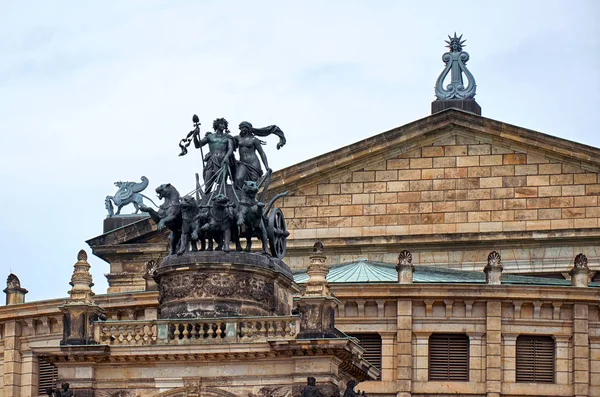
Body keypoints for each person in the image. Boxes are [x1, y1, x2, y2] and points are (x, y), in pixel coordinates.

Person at [233, 121, 286, 189]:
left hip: (253, 163)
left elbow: (262, 153)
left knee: (253, 184)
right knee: (238, 178)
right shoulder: (238, 138)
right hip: (242, 163)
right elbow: (228, 142)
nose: (241, 130)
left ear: (248, 128)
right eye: (240, 128)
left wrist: (266, 166)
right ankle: (239, 196)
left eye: (243, 127)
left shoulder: (254, 140)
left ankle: (249, 198)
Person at [194, 118, 235, 193]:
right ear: (216, 125)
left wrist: (226, 157)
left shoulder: (228, 137)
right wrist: (195, 136)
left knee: (223, 183)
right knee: (208, 184)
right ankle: (205, 199)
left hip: (223, 161)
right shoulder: (210, 137)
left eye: (224, 124)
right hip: (212, 162)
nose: (223, 125)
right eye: (221, 124)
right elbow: (198, 145)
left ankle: (223, 200)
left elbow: (230, 149)